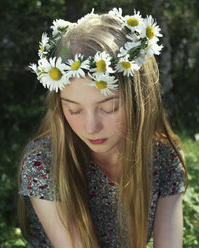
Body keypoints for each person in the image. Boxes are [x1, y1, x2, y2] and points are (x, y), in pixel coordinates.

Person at [17, 8, 187, 248]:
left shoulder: (165, 158)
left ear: (141, 100)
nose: (91, 127)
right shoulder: (43, 162)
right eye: (73, 110)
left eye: (109, 108)